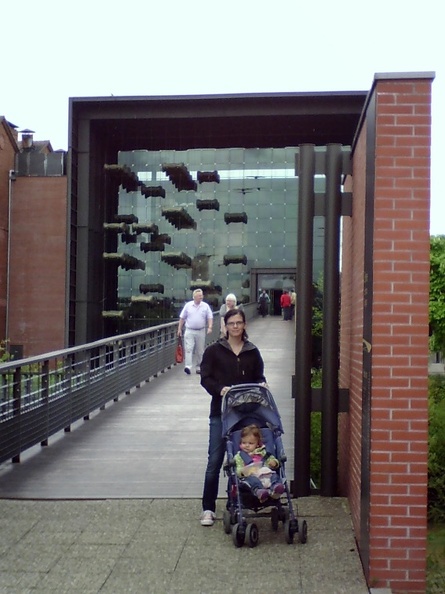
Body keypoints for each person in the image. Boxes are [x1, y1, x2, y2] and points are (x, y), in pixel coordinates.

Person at [199, 308, 267, 526]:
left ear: (244, 325)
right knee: (215, 460)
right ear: (225, 326)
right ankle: (208, 508)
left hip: (246, 413)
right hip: (221, 410)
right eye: (232, 323)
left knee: (245, 457)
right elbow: (205, 378)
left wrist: (262, 385)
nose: (235, 327)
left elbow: (259, 376)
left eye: (239, 323)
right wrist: (220, 389)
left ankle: (235, 501)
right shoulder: (214, 351)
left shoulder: (252, 351)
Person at [234, 424, 285, 503]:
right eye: (244, 443)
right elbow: (238, 469)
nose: (246, 445)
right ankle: (259, 491)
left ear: (257, 444)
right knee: (252, 480)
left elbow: (271, 459)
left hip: (265, 475)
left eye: (250, 443)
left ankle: (275, 489)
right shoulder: (239, 456)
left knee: (274, 475)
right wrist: (243, 472)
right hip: (250, 476)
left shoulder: (263, 453)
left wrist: (274, 463)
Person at [177, 289, 213, 375]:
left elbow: (210, 317)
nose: (201, 297)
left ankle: (199, 367)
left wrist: (210, 327)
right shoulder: (188, 306)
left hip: (201, 330)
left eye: (201, 295)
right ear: (194, 297)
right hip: (189, 330)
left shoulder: (205, 306)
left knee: (200, 350)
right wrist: (179, 329)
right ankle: (188, 367)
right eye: (199, 296)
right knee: (189, 349)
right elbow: (182, 318)